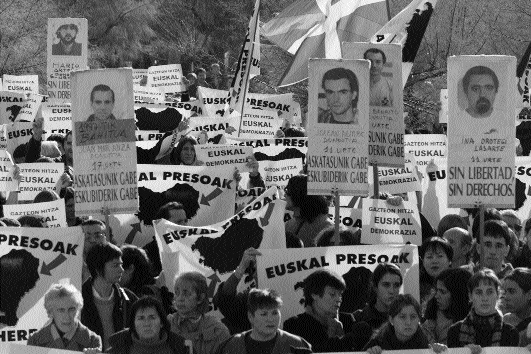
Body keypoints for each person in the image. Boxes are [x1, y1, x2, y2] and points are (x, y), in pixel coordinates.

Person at [283, 269, 371, 352]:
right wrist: (334, 335)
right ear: (314, 294)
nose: (339, 299)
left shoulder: (347, 319)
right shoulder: (294, 325)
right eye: (332, 294)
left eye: (340, 294)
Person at [81, 243, 138, 351]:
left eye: (121, 264)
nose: (121, 269)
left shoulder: (129, 298)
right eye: (115, 265)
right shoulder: (76, 300)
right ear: (98, 268)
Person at [218, 288, 311, 354]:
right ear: (251, 316)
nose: (270, 319)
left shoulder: (298, 345)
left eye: (275, 313)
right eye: (264, 314)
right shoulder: (230, 346)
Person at [447, 269, 520, 349]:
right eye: (478, 292)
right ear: (470, 296)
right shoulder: (454, 332)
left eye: (489, 292)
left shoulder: (510, 333)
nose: (484, 298)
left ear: (498, 295)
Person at [168, 271, 230, 354]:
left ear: (200, 298)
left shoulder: (218, 330)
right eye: (177, 292)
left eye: (186, 293)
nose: (179, 298)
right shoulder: (167, 325)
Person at [27, 283, 101, 352]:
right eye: (61, 310)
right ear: (50, 312)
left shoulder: (92, 340)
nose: (67, 316)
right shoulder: (35, 340)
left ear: (78, 310)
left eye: (71, 309)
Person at [107, 296, 188, 354]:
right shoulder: (117, 350)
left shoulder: (181, 349)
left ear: (162, 323)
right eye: (141, 318)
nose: (147, 323)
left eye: (152, 317)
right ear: (133, 324)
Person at [364, 295, 441, 353]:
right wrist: (370, 352)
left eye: (413, 317)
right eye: (402, 317)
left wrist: (440, 350)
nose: (408, 322)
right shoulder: (378, 342)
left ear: (419, 319)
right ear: (391, 320)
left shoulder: (426, 340)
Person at [422, 268, 472, 344]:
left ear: (458, 295)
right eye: (437, 290)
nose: (436, 296)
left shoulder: (477, 318)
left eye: (442, 292)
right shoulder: (431, 318)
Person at [284, 174, 333, 247]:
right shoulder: (288, 225)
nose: (285, 195)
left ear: (299, 195)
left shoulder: (327, 228)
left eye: (288, 191)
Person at [354, 263, 403, 332]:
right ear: (375, 287)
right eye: (386, 285)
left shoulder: (406, 318)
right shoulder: (358, 318)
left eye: (396, 285)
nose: (392, 291)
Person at [419, 237, 453, 303]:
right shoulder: (415, 286)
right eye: (429, 257)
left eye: (440, 256)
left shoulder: (457, 284)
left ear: (450, 260)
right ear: (422, 261)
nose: (434, 261)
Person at [500, 268, 531, 335]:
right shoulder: (506, 320)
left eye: (512, 291)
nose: (506, 297)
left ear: (529, 294)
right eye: (505, 292)